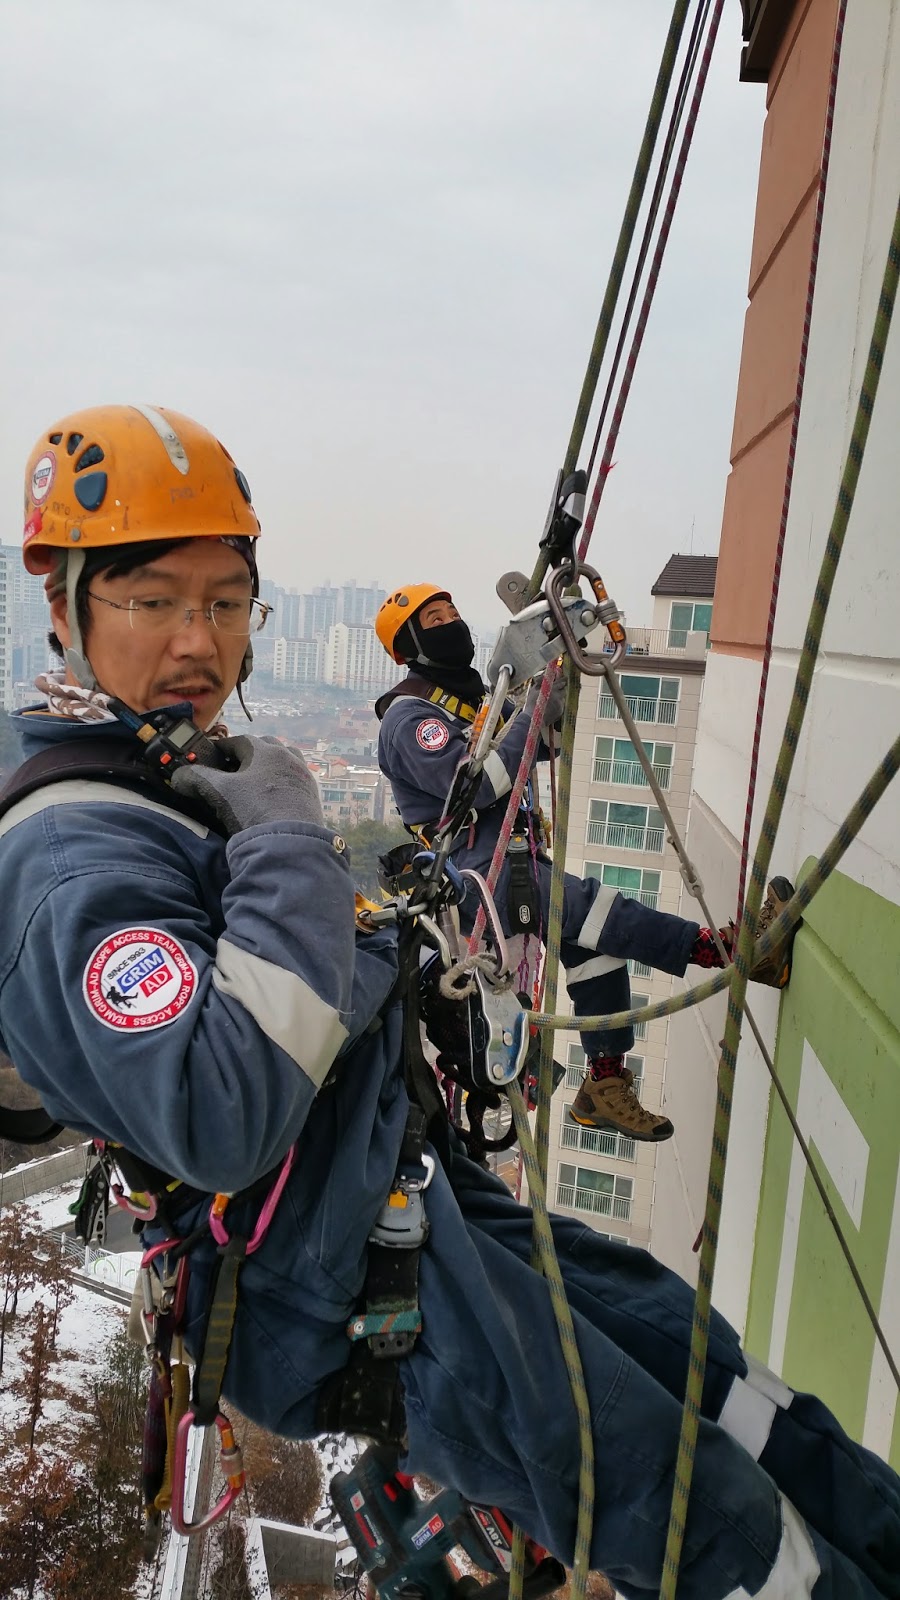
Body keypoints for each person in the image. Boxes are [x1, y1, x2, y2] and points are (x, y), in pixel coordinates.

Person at [0, 404, 897, 1600]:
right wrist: (288, 844)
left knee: (694, 1360)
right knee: (685, 1503)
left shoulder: (159, 774)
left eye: (224, 601)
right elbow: (221, 1108)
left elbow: (284, 987)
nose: (196, 639)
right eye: (154, 599)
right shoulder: (74, 855)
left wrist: (361, 942)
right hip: (338, 1284)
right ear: (63, 606)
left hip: (398, 1195)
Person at [374, 586, 794, 1142]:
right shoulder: (410, 719)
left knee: (597, 948)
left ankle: (604, 1082)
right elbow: (474, 787)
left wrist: (551, 694)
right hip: (485, 878)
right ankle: (737, 950)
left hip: (512, 866)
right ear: (411, 644)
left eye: (452, 611)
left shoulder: (470, 707)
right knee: (610, 915)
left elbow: (533, 747)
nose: (450, 621)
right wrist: (530, 712)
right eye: (435, 618)